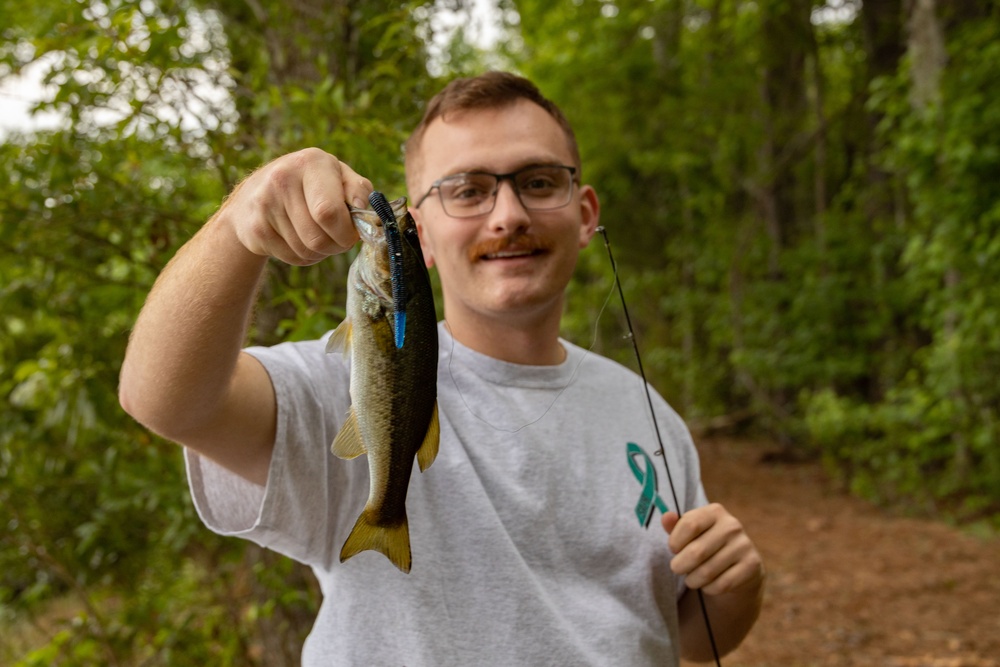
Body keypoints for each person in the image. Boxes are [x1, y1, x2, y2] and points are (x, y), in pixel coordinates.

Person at [119, 71, 765, 665]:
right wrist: (238, 225)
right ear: (420, 233)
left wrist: (735, 585)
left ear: (585, 211)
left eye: (538, 182)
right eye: (467, 190)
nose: (508, 215)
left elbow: (685, 632)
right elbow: (164, 401)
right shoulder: (335, 384)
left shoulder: (649, 414)